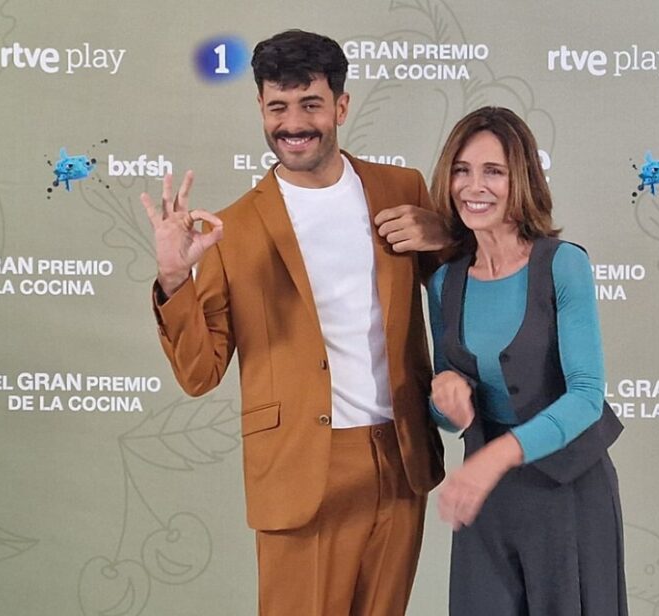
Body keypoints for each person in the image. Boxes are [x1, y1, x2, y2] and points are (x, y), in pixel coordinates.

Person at [139, 29, 447, 616]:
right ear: (260, 107)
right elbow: (200, 373)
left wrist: (445, 236)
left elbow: (464, 288)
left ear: (341, 105)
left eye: (310, 104)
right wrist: (175, 279)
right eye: (277, 107)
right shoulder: (233, 229)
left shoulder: (401, 189)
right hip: (301, 466)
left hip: (401, 457)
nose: (293, 123)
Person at [426, 107, 628, 615]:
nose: (475, 186)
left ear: (522, 180)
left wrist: (495, 458)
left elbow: (586, 395)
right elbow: (445, 408)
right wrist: (445, 397)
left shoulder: (563, 265)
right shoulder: (444, 282)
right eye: (462, 169)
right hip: (486, 505)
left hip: (568, 496)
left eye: (494, 171)